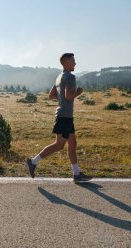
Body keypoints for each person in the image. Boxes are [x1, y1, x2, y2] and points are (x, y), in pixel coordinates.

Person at [26, 53, 92, 182]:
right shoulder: (70, 77)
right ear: (66, 62)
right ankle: (33, 162)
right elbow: (68, 96)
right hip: (64, 116)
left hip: (65, 115)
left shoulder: (58, 77)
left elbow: (51, 95)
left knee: (72, 143)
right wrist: (78, 93)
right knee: (59, 145)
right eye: (73, 61)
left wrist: (62, 98)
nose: (75, 63)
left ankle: (77, 174)